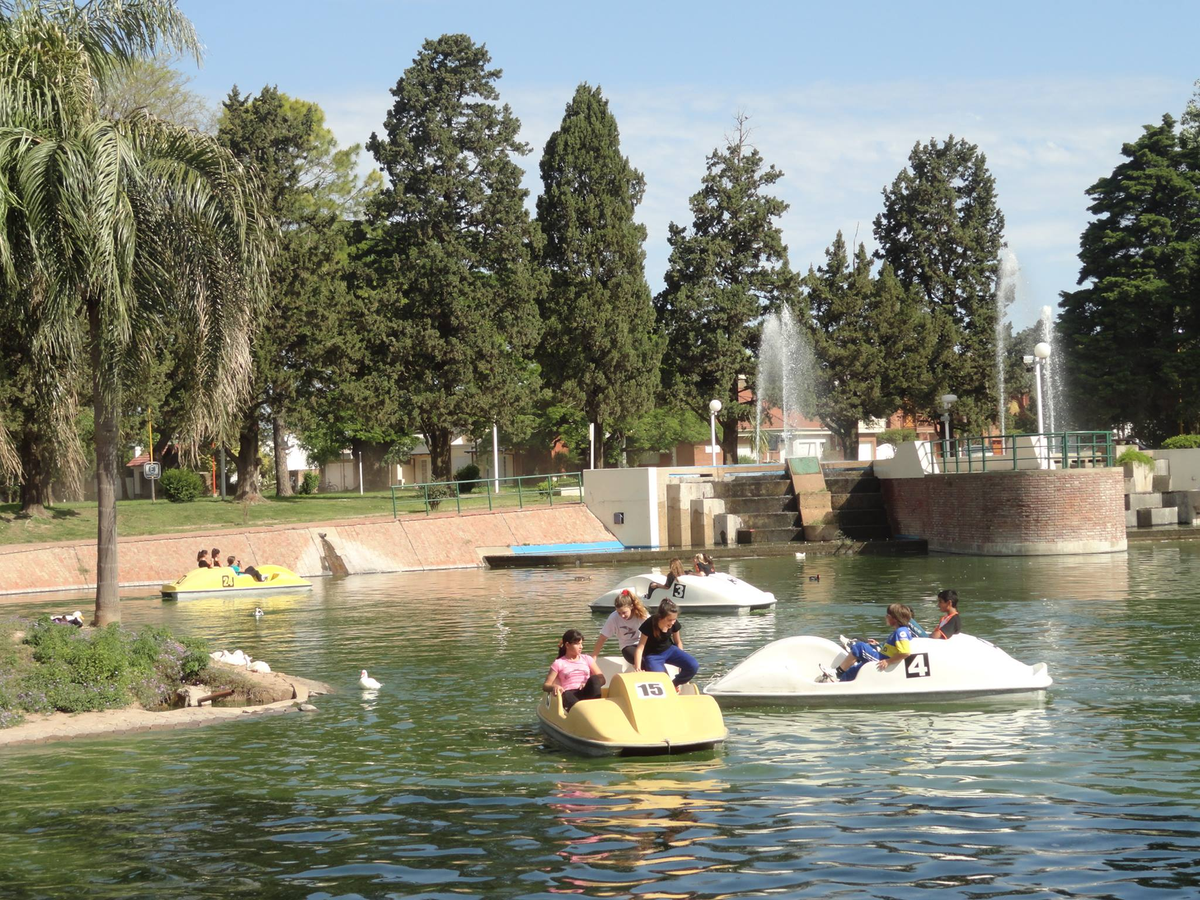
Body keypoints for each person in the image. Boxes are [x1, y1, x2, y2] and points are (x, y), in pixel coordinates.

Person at [821, 603, 915, 683]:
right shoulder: (900, 631)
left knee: (859, 647)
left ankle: (837, 673)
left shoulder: (901, 632)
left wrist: (888, 661)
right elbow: (892, 648)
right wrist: (878, 645)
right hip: (881, 656)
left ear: (895, 619)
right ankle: (839, 682)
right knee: (854, 670)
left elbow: (905, 652)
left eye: (888, 616)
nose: (885, 617)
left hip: (881, 660)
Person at [633, 598, 699, 688]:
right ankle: (667, 688)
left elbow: (678, 642)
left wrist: (681, 663)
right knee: (661, 680)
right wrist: (638, 668)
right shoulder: (649, 624)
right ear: (661, 617)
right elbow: (640, 648)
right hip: (653, 656)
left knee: (693, 665)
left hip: (670, 650)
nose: (672, 622)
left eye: (674, 619)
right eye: (669, 620)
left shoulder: (674, 623)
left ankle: (673, 685)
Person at [543, 629, 605, 711]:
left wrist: (586, 684)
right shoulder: (558, 663)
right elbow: (546, 685)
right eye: (577, 644)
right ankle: (579, 712)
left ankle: (597, 709)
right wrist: (554, 686)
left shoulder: (587, 659)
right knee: (567, 694)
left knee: (594, 678)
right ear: (567, 645)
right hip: (570, 694)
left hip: (586, 691)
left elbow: (602, 679)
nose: (581, 647)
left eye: (581, 644)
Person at [592, 590, 650, 663]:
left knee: (651, 659)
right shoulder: (614, 618)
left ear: (631, 607)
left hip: (642, 643)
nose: (622, 616)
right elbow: (602, 638)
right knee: (640, 660)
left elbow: (654, 627)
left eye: (624, 612)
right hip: (627, 645)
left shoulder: (641, 614)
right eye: (619, 613)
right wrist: (594, 656)